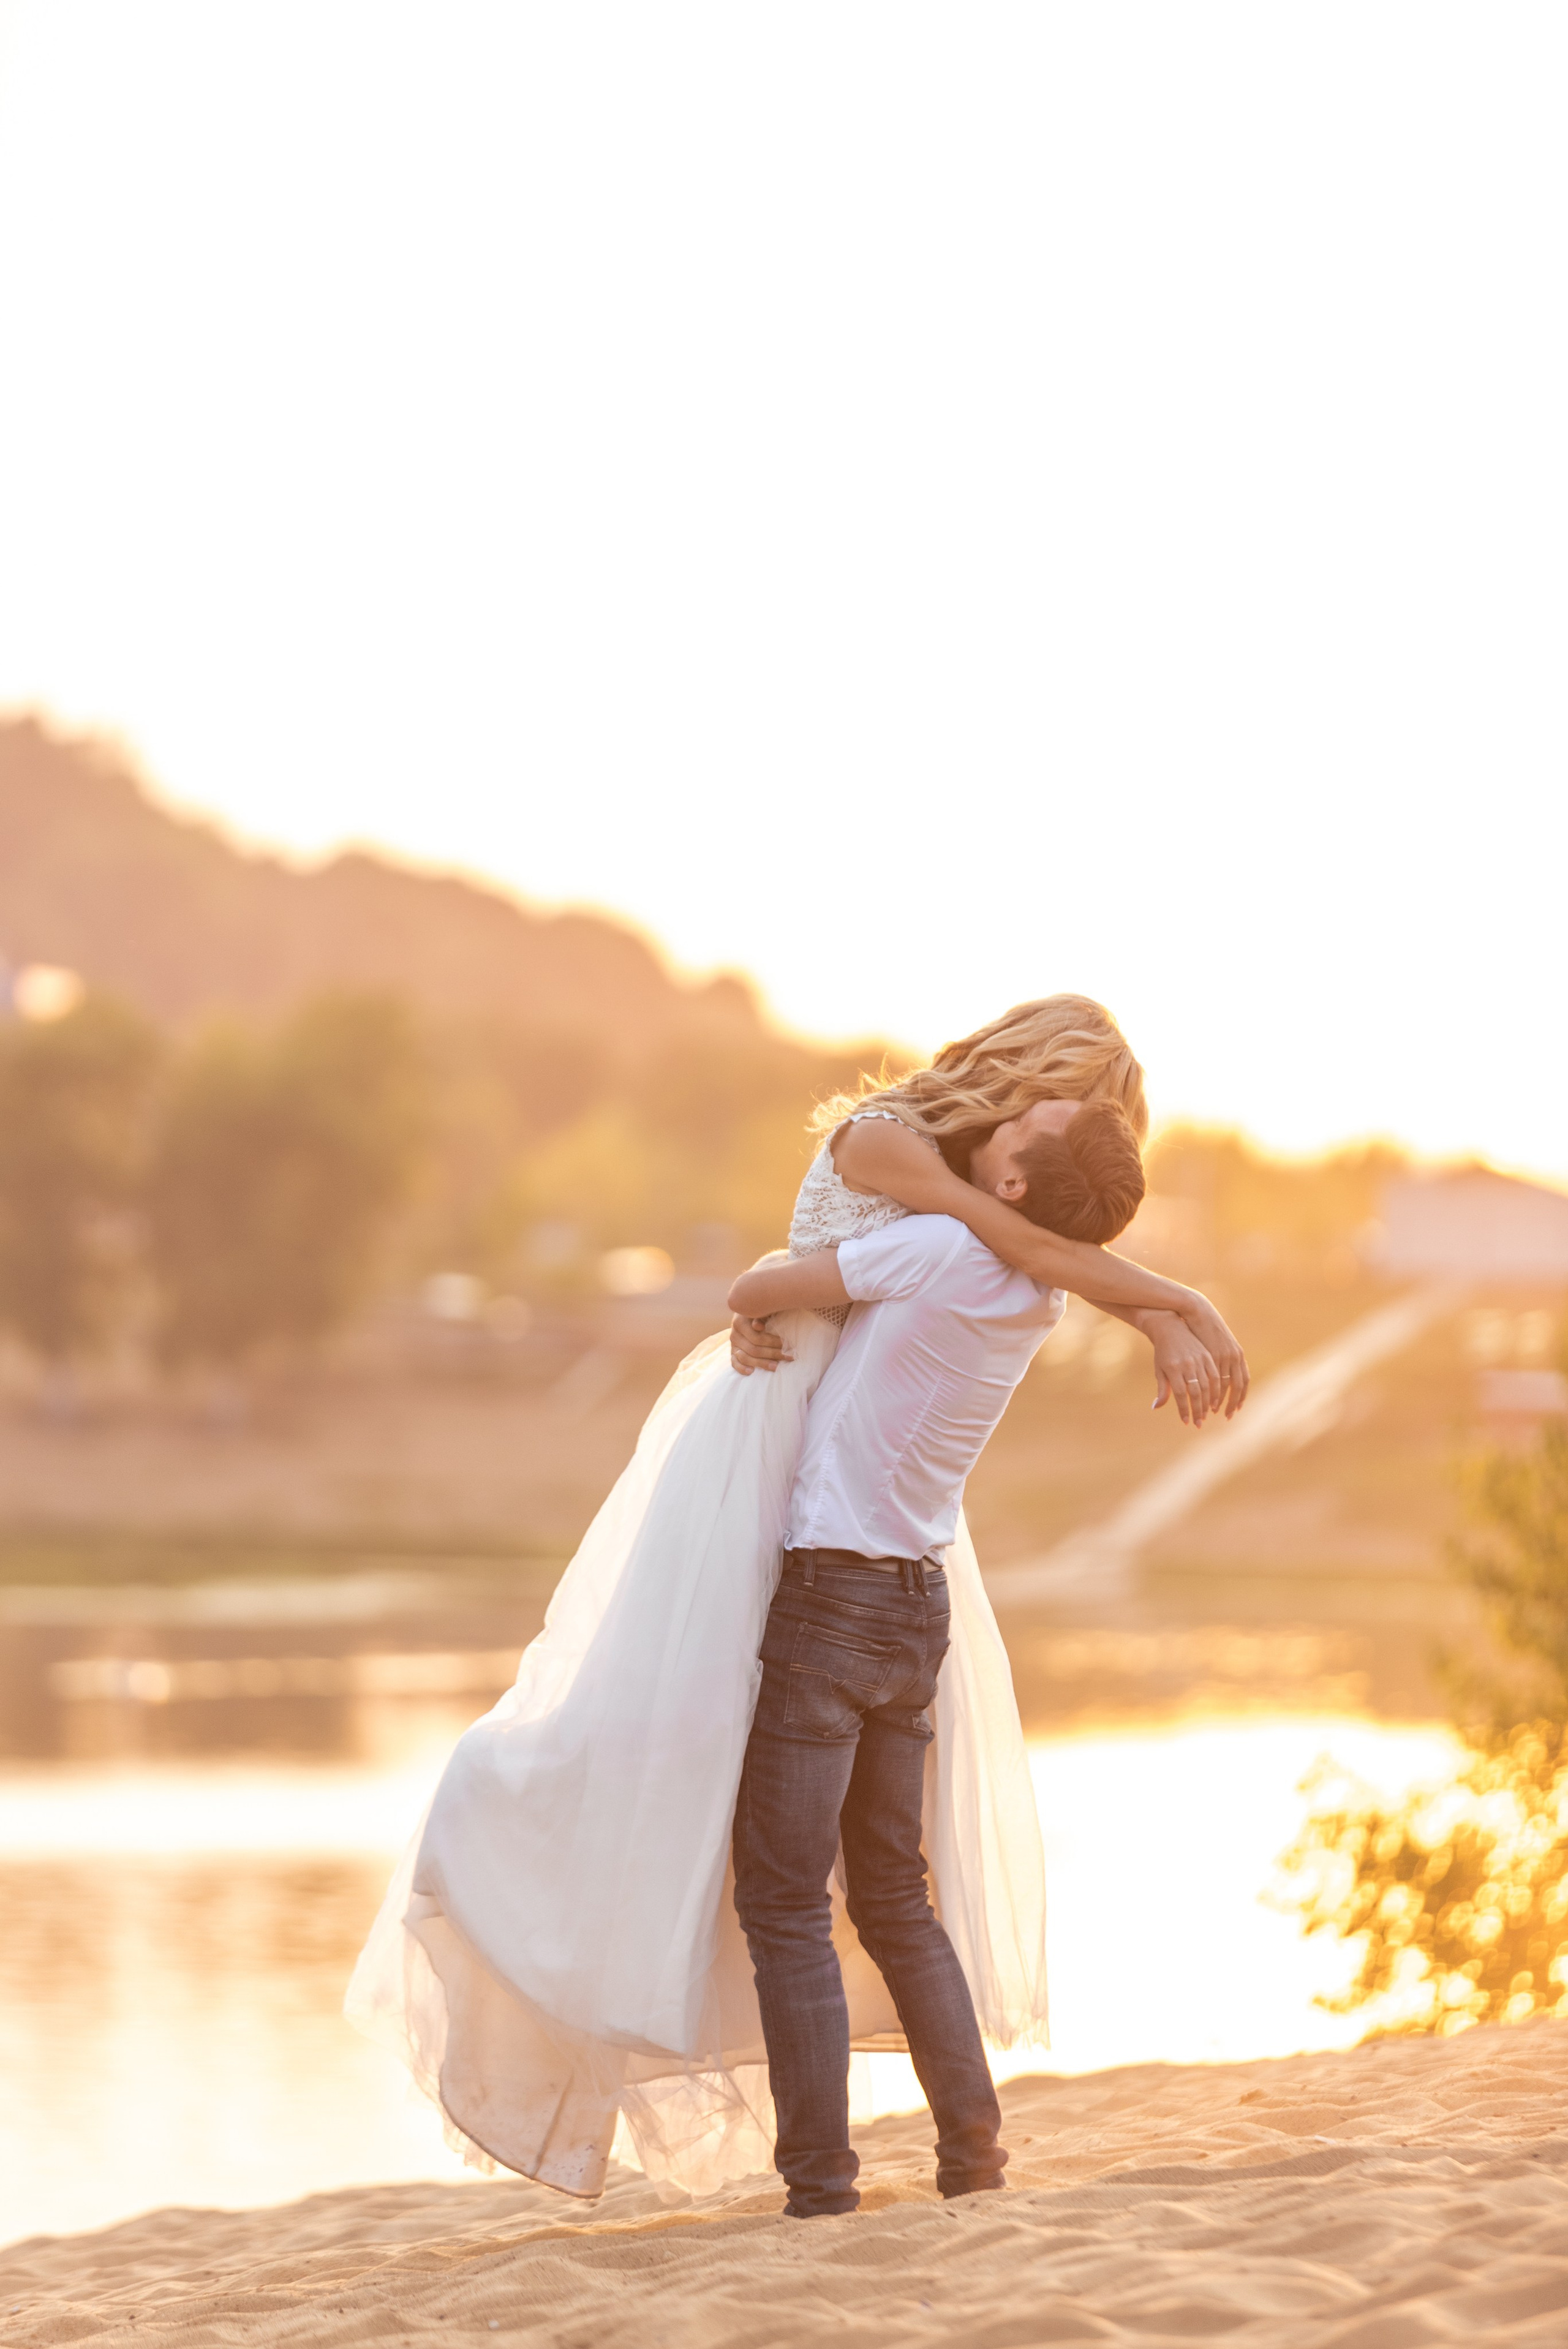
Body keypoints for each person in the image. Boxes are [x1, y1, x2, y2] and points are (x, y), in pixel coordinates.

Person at [346, 997, 1247, 2201]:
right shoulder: (982, 1248)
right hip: (912, 1598)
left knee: (782, 1895)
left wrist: (769, 1303)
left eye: (1054, 1124)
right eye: (1059, 1102)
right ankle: (970, 2152)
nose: (1050, 1117)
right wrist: (1175, 1304)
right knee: (889, 1892)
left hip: (826, 1589)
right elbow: (1037, 1254)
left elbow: (763, 1281)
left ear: (1022, 1184)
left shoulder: (939, 1245)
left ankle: (819, 2178)